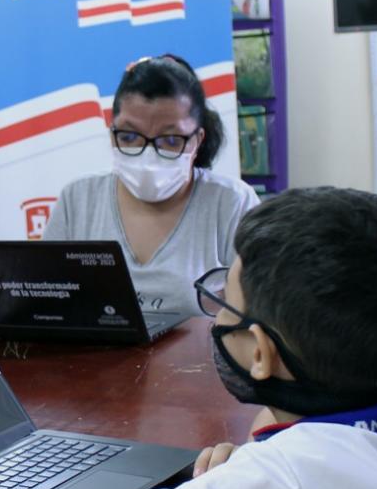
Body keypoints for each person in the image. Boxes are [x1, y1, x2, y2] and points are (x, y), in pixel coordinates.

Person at [30, 188, 377, 489]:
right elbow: (283, 430)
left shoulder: (284, 484)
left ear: (260, 354)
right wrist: (249, 472)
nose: (218, 317)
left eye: (226, 302)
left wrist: (240, 486)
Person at [43, 55, 259, 316]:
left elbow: (257, 315)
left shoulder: (233, 203)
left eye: (171, 140)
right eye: (129, 137)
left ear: (197, 139)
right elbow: (48, 303)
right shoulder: (78, 199)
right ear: (111, 131)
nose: (148, 156)